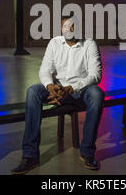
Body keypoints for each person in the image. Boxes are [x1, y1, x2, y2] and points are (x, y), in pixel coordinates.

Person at [11, 15, 104, 174]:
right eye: (65, 26)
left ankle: (87, 152)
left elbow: (95, 75)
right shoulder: (54, 43)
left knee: (97, 94)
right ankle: (30, 155)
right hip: (58, 88)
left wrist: (72, 88)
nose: (69, 29)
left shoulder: (89, 44)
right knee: (33, 91)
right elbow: (45, 70)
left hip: (80, 91)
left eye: (72, 26)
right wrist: (50, 87)